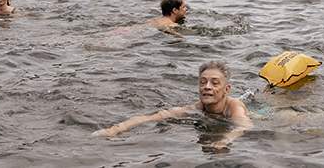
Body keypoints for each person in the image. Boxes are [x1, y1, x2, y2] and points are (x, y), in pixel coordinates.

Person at [93, 61, 251, 150]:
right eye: (202, 82)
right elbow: (157, 116)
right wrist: (115, 129)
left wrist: (225, 140)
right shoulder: (197, 107)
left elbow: (244, 127)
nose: (207, 87)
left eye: (214, 83)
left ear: (227, 89)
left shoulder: (234, 107)